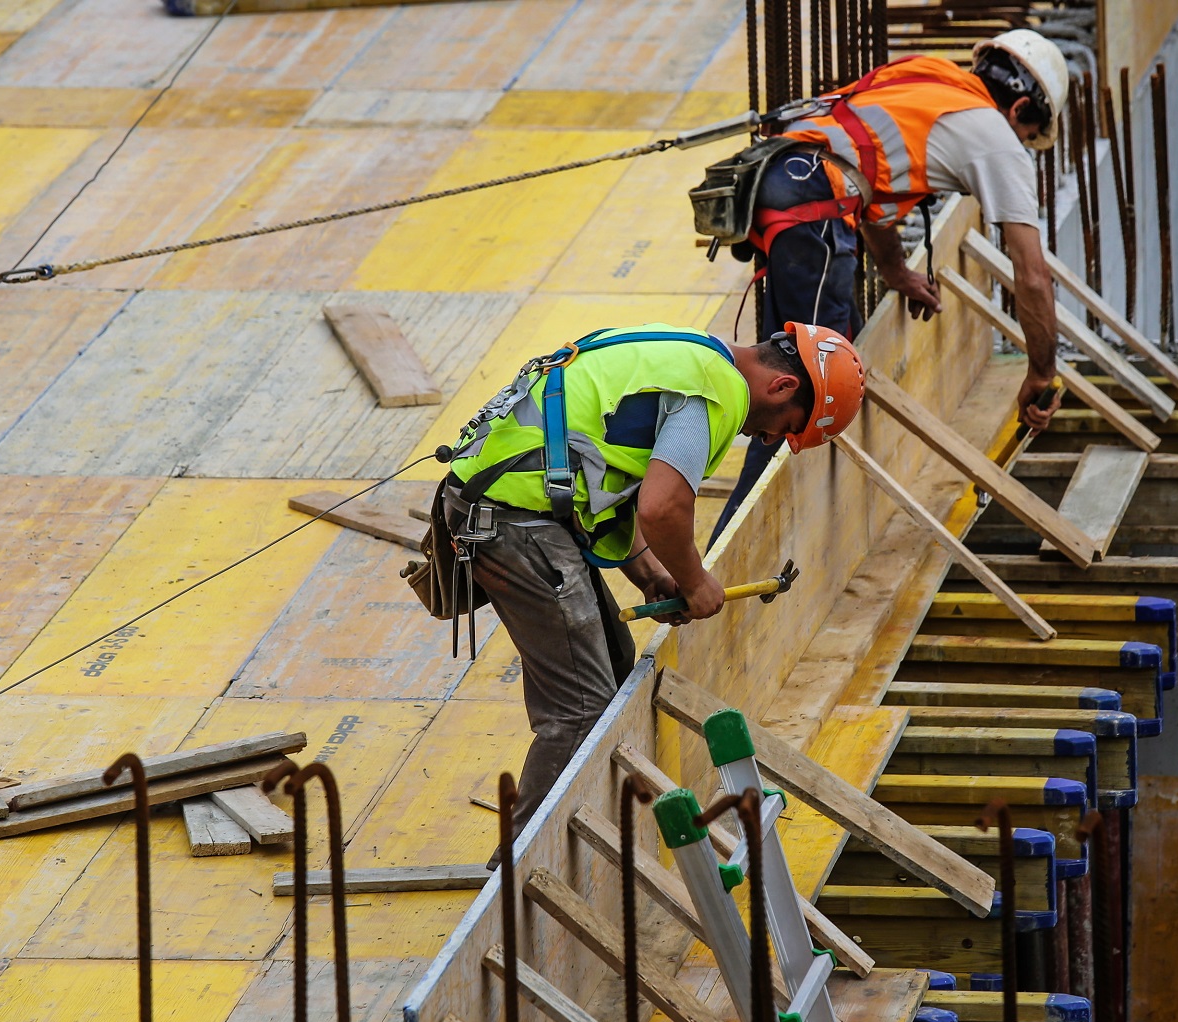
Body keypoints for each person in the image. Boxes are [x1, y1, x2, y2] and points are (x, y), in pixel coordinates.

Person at [437, 322, 865, 848]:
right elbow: (663, 507)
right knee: (582, 710)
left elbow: (604, 471)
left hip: (507, 504)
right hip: (509, 519)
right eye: (786, 428)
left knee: (614, 673)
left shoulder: (691, 353)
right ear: (782, 388)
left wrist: (650, 574)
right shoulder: (717, 391)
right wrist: (694, 579)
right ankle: (522, 873)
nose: (770, 438)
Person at [712, 29, 1071, 542]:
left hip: (784, 184)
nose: (1021, 147)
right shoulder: (995, 137)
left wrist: (896, 272)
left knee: (801, 364)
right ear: (1019, 110)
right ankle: (727, 553)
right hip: (812, 207)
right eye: (1027, 136)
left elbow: (865, 168)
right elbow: (1032, 275)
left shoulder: (929, 80)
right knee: (809, 392)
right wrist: (1041, 370)